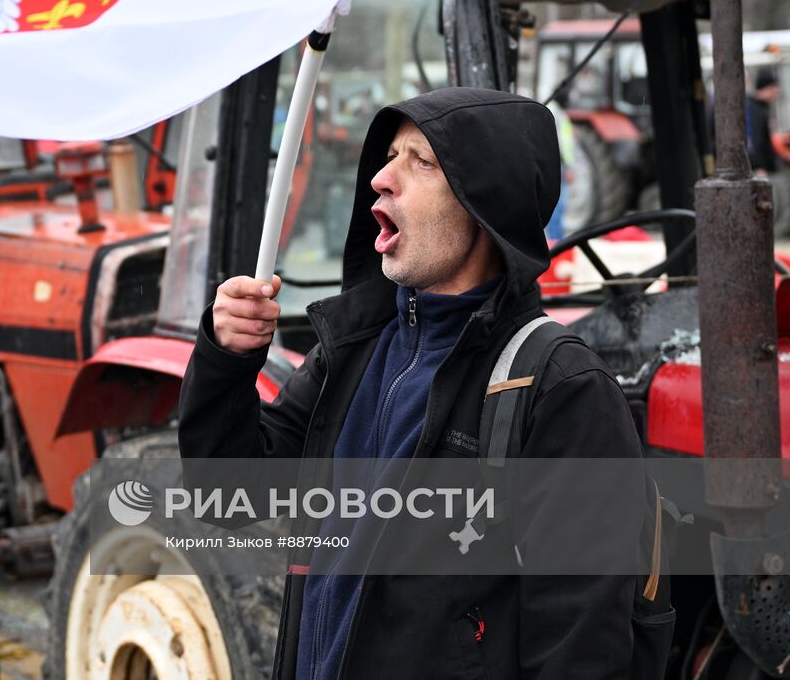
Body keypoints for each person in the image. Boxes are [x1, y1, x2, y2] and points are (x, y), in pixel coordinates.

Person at [178, 88, 644, 679]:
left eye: (420, 161)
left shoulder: (560, 388)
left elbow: (581, 650)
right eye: (389, 155)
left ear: (486, 201)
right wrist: (226, 359)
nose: (381, 178)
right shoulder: (349, 354)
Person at [746, 67, 790, 236]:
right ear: (769, 88)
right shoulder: (754, 109)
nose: (777, 93)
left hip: (766, 167)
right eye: (775, 88)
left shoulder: (761, 108)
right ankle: (773, 233)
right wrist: (758, 167)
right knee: (778, 198)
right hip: (761, 169)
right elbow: (755, 141)